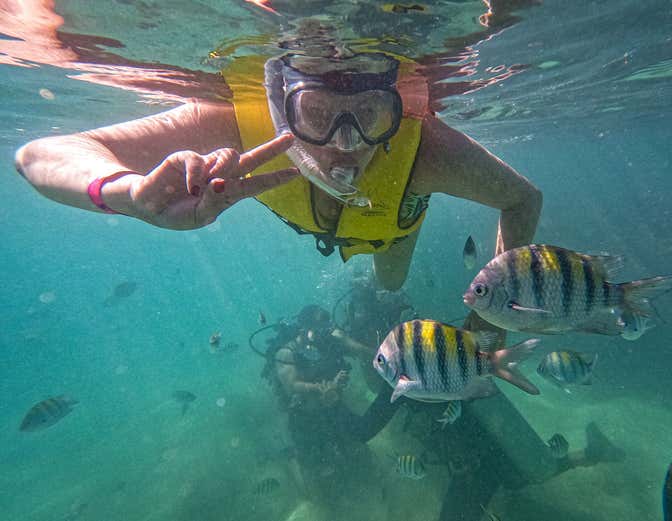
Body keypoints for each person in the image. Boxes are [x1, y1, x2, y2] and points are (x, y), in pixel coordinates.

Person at [14, 46, 541, 291]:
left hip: (390, 227)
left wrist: (502, 310)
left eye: (372, 115)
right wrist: (128, 193)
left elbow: (523, 199)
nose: (347, 144)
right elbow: (37, 155)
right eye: (315, 114)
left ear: (394, 109)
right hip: (328, 214)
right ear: (277, 104)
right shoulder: (227, 122)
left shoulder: (424, 148)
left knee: (390, 289)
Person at [262, 304, 397, 502]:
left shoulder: (331, 338)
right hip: (304, 418)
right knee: (317, 476)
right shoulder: (287, 352)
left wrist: (392, 358)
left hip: (332, 407)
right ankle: (294, 460)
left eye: (326, 322)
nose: (326, 328)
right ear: (305, 328)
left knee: (358, 448)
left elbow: (359, 350)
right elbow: (291, 385)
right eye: (319, 324)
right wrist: (323, 388)